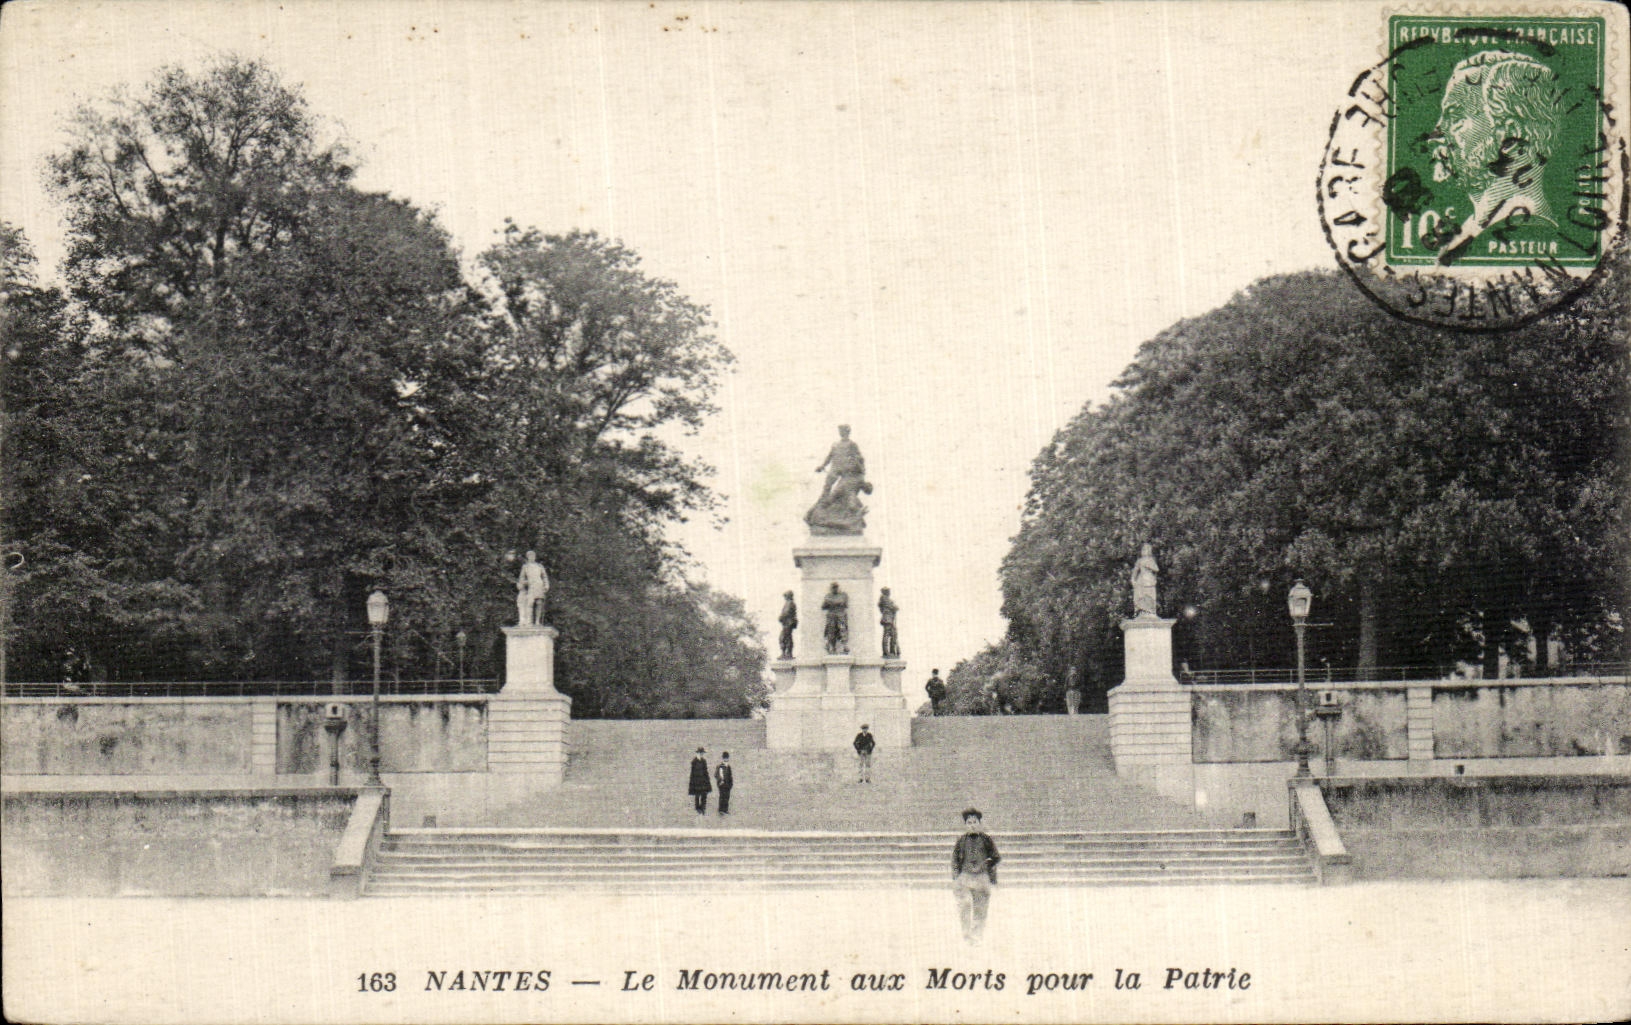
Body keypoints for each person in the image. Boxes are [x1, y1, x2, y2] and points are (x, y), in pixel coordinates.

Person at [1427, 50, 1564, 259]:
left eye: (1455, 117)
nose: (1435, 136)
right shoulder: (1471, 230)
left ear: (1511, 135)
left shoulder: (1526, 233)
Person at [952, 808, 1001, 944]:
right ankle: (967, 935)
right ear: (965, 825)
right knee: (965, 905)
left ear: (979, 823)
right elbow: (955, 859)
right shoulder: (961, 840)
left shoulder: (986, 839)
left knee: (980, 908)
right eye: (969, 822)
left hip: (981, 877)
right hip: (966, 877)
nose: (972, 825)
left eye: (975, 822)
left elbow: (996, 857)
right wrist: (956, 876)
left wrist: (987, 865)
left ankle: (977, 936)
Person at [516, 550, 550, 626]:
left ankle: (537, 621)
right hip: (530, 586)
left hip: (539, 585)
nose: (532, 557)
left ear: (535, 557)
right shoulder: (525, 566)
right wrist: (525, 582)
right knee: (530, 603)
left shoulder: (539, 566)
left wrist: (546, 585)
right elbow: (521, 577)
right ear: (527, 557)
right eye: (530, 556)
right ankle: (529, 621)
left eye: (533, 556)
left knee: (539, 603)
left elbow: (544, 576)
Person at [822, 582, 849, 654]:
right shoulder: (828, 596)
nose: (834, 589)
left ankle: (844, 647)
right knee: (831, 632)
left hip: (841, 616)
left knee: (843, 631)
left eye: (835, 587)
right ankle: (832, 648)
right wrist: (837, 603)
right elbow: (823, 606)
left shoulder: (843, 595)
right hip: (832, 616)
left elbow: (845, 603)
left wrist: (831, 602)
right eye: (833, 587)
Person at [687, 747, 711, 814]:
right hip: (697, 781)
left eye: (702, 753)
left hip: (703, 780)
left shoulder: (704, 761)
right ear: (697, 753)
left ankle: (703, 807)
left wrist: (707, 780)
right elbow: (692, 773)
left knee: (704, 794)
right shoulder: (694, 762)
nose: (701, 754)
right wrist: (693, 782)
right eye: (700, 753)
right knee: (697, 794)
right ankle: (697, 807)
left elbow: (706, 771)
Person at [878, 587, 900, 658]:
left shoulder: (886, 599)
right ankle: (886, 652)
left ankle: (892, 651)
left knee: (893, 635)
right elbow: (892, 606)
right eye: (888, 591)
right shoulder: (884, 598)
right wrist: (894, 607)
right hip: (887, 619)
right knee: (887, 635)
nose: (889, 592)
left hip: (890, 619)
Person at [777, 591, 798, 659]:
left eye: (785, 596)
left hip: (788, 623)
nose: (785, 597)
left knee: (784, 637)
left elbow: (786, 612)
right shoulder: (789, 603)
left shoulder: (790, 603)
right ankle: (786, 653)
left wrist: (781, 617)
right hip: (787, 623)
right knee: (785, 637)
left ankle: (787, 653)